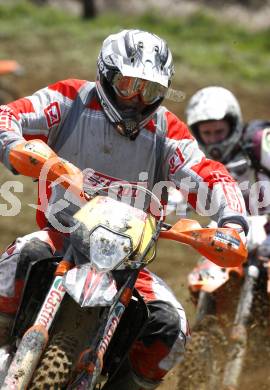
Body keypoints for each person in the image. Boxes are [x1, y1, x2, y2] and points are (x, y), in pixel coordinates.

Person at [0, 31, 248, 389]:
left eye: (148, 91)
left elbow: (208, 174)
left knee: (171, 329)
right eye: (128, 84)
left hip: (128, 264)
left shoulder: (168, 132)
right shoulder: (70, 100)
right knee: (20, 256)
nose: (135, 99)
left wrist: (233, 222)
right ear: (106, 74)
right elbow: (8, 114)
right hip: (62, 237)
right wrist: (17, 147)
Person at [185, 85, 270, 215]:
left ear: (233, 125)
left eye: (219, 131)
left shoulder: (259, 141)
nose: (213, 140)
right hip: (243, 228)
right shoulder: (199, 157)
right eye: (206, 133)